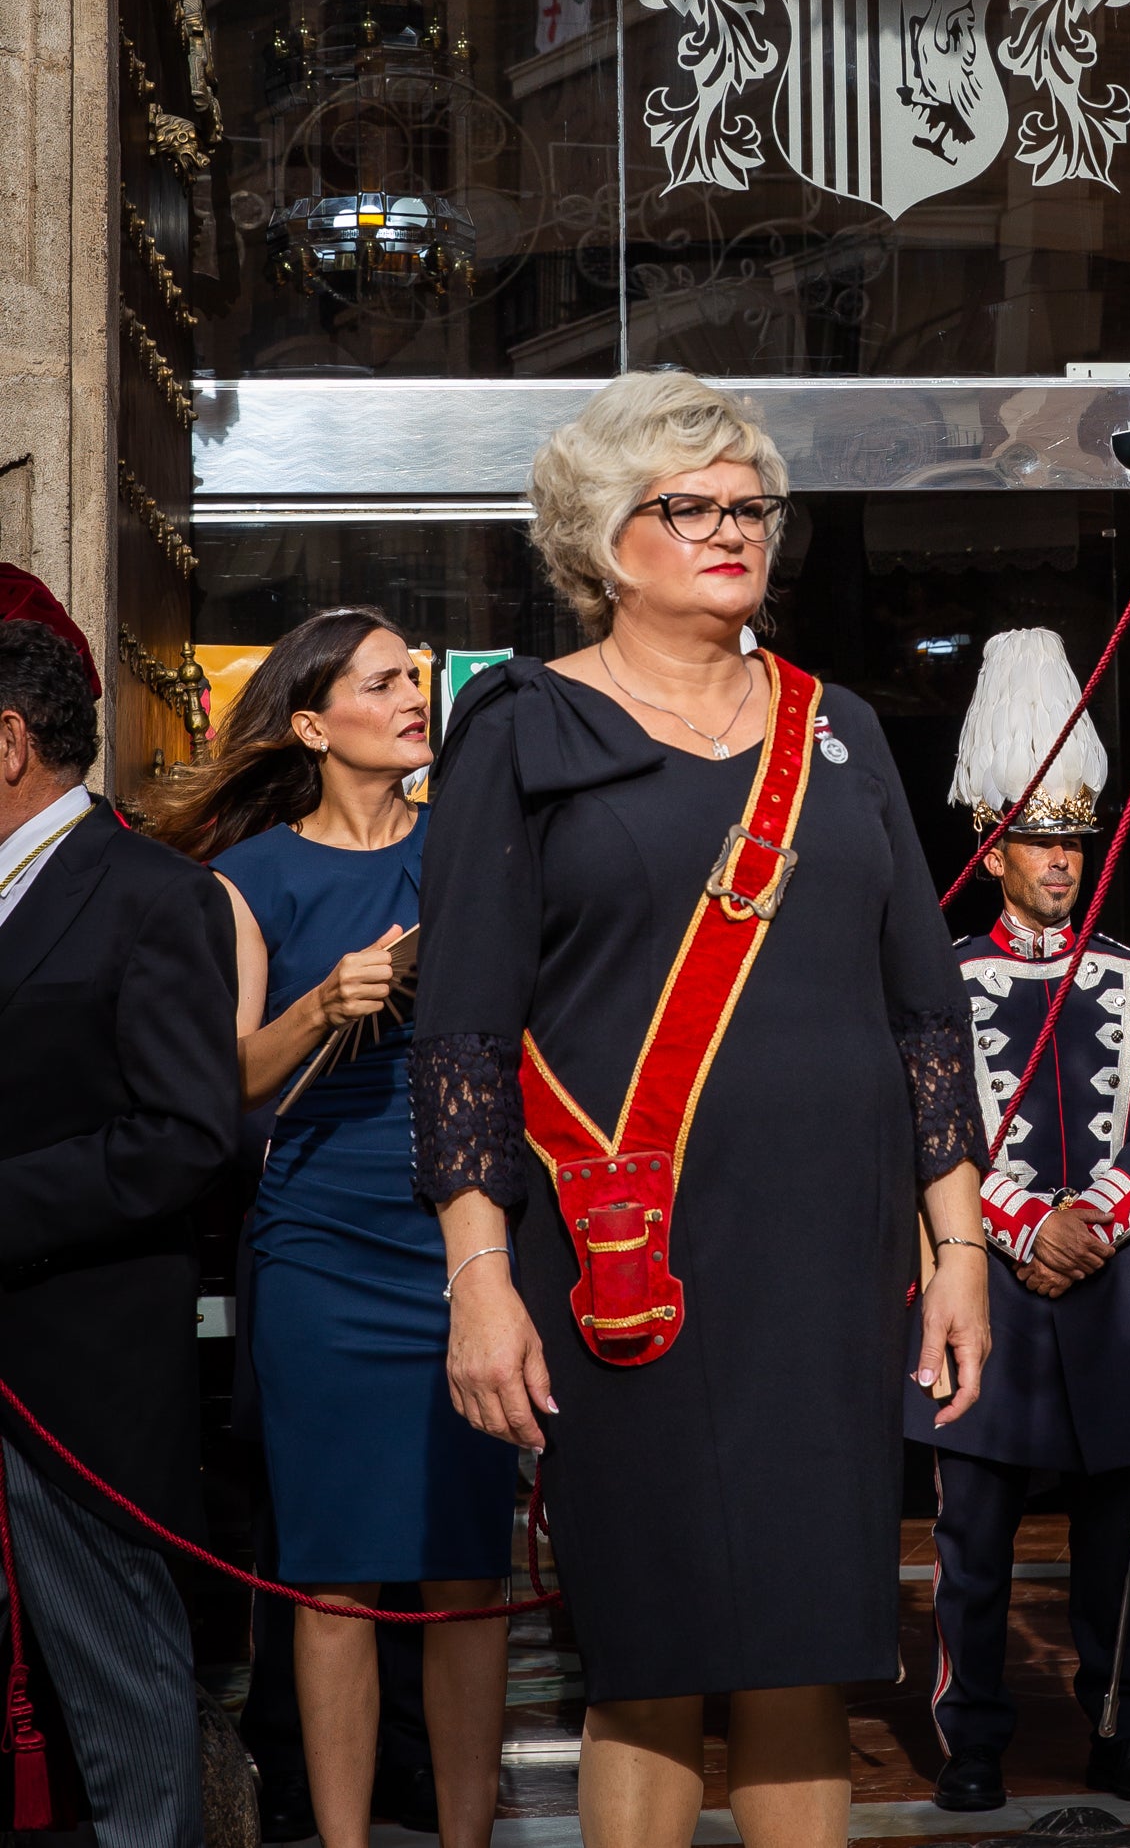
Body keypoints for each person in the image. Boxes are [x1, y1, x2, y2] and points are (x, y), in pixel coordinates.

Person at [411, 372, 989, 1848]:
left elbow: (925, 1009)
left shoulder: (840, 724)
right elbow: (464, 1032)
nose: (734, 530)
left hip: (826, 1262)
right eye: (693, 506)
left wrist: (961, 1246)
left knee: (814, 1644)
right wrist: (481, 1277)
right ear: (608, 538)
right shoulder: (523, 725)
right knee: (656, 1658)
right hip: (632, 1260)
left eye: (751, 506)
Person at [152, 605, 517, 1848]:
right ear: (312, 725)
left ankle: (471, 1839)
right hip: (317, 1242)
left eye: (413, 676)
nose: (412, 695)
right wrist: (323, 1005)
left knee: (469, 1570)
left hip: (460, 1234)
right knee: (334, 1575)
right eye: (380, 682)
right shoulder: (250, 880)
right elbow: (227, 1083)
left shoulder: (470, 848)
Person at [910, 631, 1130, 1818]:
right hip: (991, 1300)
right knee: (971, 1546)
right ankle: (972, 1735)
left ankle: (1122, 1729)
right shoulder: (945, 979)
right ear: (994, 850)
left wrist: (1098, 1221)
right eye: (1040, 839)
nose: (1063, 863)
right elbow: (934, 1132)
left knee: (1115, 1551)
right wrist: (1025, 1227)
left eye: (1076, 841)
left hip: (1112, 1295)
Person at [0, 614, 240, 1848]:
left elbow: (186, 1135)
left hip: (75, 1378)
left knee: (123, 1710)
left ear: (7, 742)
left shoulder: (155, 894)